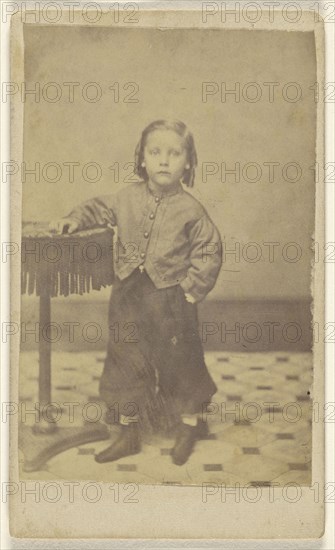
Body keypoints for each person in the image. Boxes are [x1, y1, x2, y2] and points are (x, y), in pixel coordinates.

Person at [50, 119, 222, 466]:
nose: (163, 161)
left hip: (172, 301)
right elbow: (97, 208)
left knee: (181, 363)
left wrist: (191, 289)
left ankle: (189, 426)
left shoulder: (192, 210)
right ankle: (128, 432)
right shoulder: (125, 197)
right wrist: (74, 219)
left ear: (188, 162)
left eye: (174, 154)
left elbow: (209, 250)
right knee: (125, 360)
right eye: (155, 152)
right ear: (141, 158)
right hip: (129, 297)